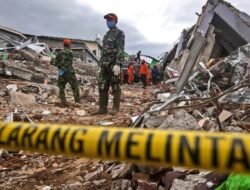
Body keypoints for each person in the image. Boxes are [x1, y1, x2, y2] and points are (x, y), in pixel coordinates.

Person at [95, 13, 125, 114]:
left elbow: (121, 49)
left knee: (115, 85)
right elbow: (103, 52)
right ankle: (102, 108)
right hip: (104, 64)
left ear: (115, 21)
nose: (108, 22)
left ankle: (115, 108)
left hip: (113, 63)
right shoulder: (106, 35)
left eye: (110, 20)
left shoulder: (119, 33)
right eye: (107, 20)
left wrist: (118, 64)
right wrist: (100, 65)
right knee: (102, 85)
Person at [55, 39, 80, 107]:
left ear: (63, 44)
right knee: (74, 86)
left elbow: (55, 62)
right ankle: (77, 102)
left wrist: (60, 67)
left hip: (61, 72)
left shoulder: (59, 53)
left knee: (61, 87)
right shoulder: (70, 52)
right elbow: (69, 62)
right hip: (69, 72)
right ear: (69, 45)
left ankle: (63, 102)